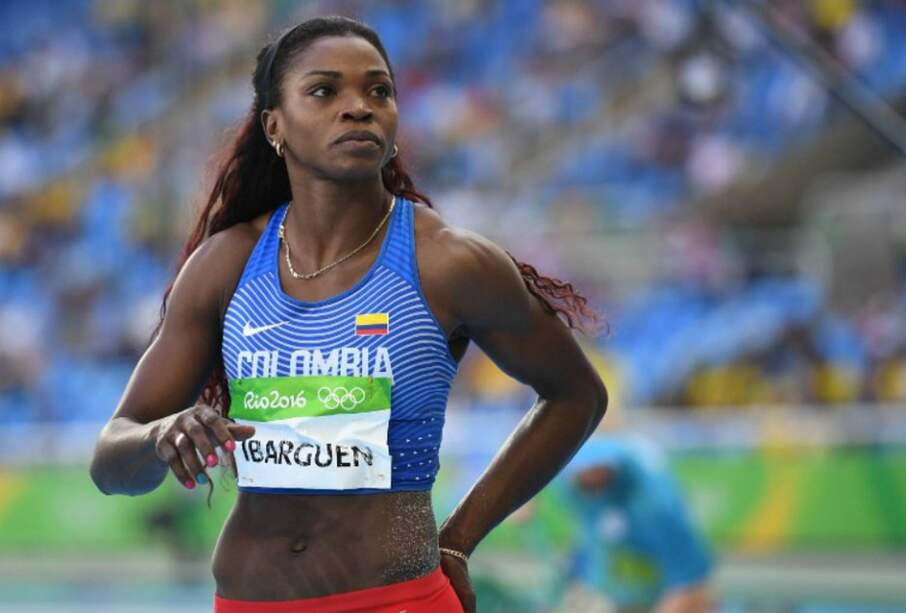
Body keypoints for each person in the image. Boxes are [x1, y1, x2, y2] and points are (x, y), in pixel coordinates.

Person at [89, 16, 607, 613]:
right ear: (274, 125)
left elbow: (577, 397)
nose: (359, 107)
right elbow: (111, 463)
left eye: (379, 90)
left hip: (399, 600)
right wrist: (159, 437)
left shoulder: (448, 263)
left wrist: (459, 540)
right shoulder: (226, 264)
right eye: (324, 90)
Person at [559, 436, 713, 613]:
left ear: (608, 467)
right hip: (615, 587)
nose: (583, 480)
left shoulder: (656, 505)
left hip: (666, 586)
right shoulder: (575, 488)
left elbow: (690, 581)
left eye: (592, 471)